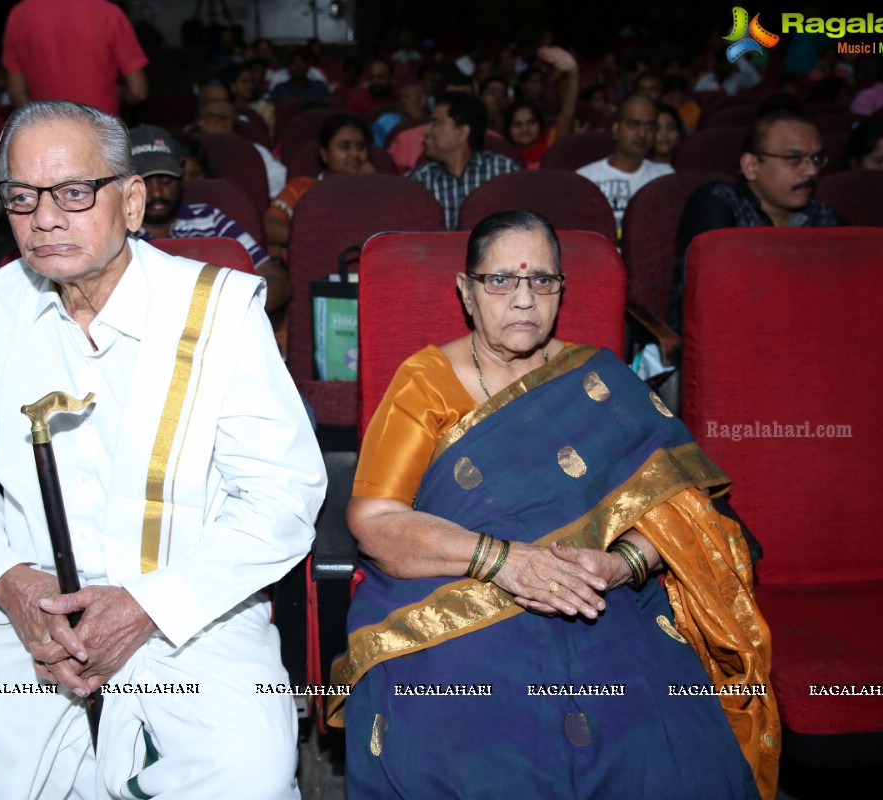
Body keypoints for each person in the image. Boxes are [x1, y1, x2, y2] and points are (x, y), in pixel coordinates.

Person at [0, 100, 327, 798]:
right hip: (31, 614)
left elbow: (282, 494)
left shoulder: (219, 311)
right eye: (22, 196)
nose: (45, 217)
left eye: (75, 192)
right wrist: (14, 588)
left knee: (245, 777)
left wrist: (149, 604)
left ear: (132, 199)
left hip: (189, 611)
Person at [330, 210, 778, 799]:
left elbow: (689, 511)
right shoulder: (426, 381)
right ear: (467, 292)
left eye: (542, 281)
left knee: (664, 731)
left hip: (602, 598)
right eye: (500, 281)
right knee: (468, 731)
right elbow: (376, 520)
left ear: (561, 292)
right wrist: (505, 561)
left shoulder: (601, 381)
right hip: (455, 584)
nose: (523, 299)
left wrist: (623, 565)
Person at [669, 111, 838, 331]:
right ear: (751, 166)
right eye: (794, 159)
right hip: (727, 338)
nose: (812, 171)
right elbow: (716, 301)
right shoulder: (717, 204)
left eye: (816, 159)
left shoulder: (822, 214)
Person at [128, 125, 291, 314]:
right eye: (145, 183)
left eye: (166, 181)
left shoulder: (210, 219)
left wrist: (224, 314)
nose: (156, 193)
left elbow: (276, 281)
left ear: (181, 172)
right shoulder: (115, 232)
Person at [1, 0, 148, 116]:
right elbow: (137, 91)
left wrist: (40, 124)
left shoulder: (19, 15)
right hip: (101, 134)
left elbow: (16, 92)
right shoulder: (108, 13)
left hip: (48, 134)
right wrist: (118, 94)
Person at [406, 90, 520, 230]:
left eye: (436, 123)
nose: (426, 131)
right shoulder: (417, 180)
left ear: (462, 133)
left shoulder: (504, 172)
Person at [265, 112, 373, 253]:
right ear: (324, 154)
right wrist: (319, 240)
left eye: (360, 147)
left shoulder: (375, 189)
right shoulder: (303, 187)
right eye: (345, 146)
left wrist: (373, 184)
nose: (355, 154)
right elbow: (269, 226)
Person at [575, 94, 675, 238]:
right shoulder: (584, 178)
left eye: (650, 127)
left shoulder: (666, 177)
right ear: (616, 129)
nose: (642, 134)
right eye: (634, 125)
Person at [196, 97, 288, 198]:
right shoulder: (190, 150)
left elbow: (280, 180)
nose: (200, 124)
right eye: (200, 118)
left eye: (208, 118)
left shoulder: (253, 151)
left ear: (227, 122)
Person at [504, 100, 553, 169]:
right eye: (517, 125)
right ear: (508, 129)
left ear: (540, 124)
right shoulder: (503, 154)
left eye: (531, 123)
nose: (525, 129)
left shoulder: (551, 141)